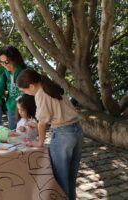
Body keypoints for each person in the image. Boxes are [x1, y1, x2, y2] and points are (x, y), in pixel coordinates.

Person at [16, 69, 83, 200]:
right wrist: (38, 124)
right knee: (71, 176)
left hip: (63, 134)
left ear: (31, 85)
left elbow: (42, 123)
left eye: (24, 90)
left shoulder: (40, 93)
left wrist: (39, 142)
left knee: (61, 177)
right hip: (76, 130)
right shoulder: (52, 87)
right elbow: (54, 115)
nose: (25, 93)